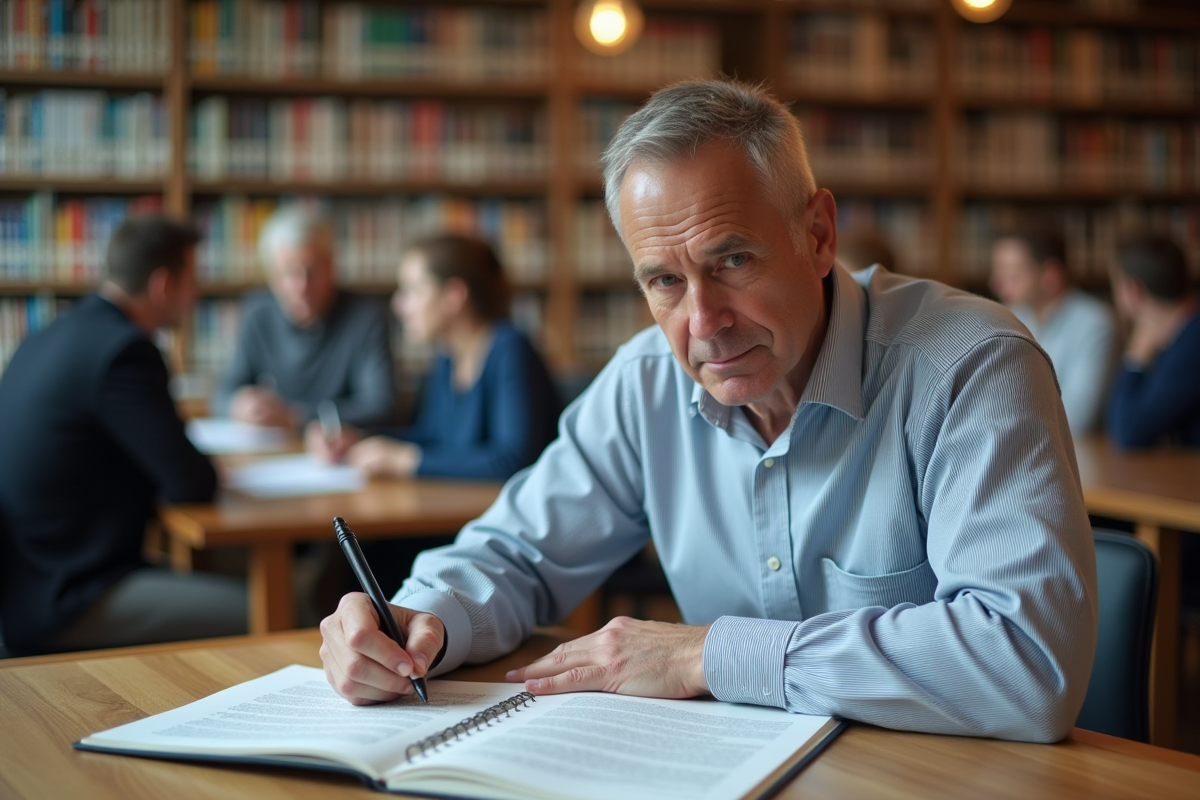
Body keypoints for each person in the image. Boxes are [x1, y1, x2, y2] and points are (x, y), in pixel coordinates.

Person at [318, 80, 1097, 744]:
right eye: (664, 281)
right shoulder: (645, 384)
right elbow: (517, 553)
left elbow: (1025, 659)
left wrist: (708, 655)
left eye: (732, 261)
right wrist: (419, 620)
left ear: (817, 235)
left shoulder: (969, 365)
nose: (703, 322)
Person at [0, 216, 246, 655]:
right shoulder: (124, 353)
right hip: (69, 596)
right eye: (192, 279)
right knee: (283, 611)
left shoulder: (49, 335)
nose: (197, 293)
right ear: (162, 284)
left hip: (28, 579)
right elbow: (191, 484)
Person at [310, 234, 561, 481]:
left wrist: (404, 460)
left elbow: (513, 461)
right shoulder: (448, 356)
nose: (399, 305)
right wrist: (361, 439)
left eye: (412, 291)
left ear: (454, 296)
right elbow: (433, 438)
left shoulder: (511, 350)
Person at [214, 204, 396, 429]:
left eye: (311, 271)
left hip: (337, 452)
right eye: (289, 272)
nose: (301, 286)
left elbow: (381, 406)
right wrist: (238, 406)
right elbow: (224, 392)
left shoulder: (366, 317)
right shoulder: (257, 314)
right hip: (271, 449)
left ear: (331, 267)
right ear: (272, 275)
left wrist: (297, 417)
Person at [990, 228, 1118, 435]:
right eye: (997, 272)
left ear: (1050, 274)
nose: (996, 284)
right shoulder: (1009, 319)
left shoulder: (1095, 323)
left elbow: (1076, 418)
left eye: (1011, 273)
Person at [1106, 234, 1200, 448]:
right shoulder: (1184, 333)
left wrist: (1135, 357)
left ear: (1132, 290)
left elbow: (1129, 431)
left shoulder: (1193, 342)